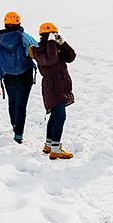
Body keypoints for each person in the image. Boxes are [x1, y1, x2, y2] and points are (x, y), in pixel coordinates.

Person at [0, 11, 38, 143]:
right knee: (21, 105)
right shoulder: (24, 37)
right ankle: (18, 134)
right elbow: (38, 48)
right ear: (19, 23)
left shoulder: (0, 41)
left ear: (5, 24)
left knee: (12, 102)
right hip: (25, 75)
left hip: (8, 77)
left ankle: (14, 125)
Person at [31, 22, 77, 160]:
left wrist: (63, 43)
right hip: (52, 88)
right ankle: (56, 148)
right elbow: (50, 60)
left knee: (55, 116)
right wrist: (51, 43)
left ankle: (49, 144)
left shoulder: (56, 48)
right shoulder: (40, 52)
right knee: (60, 116)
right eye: (52, 34)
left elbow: (71, 57)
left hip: (60, 87)